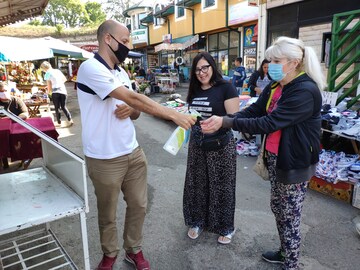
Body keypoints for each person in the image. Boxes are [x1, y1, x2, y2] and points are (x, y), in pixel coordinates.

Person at [76, 20, 195, 270]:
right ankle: (109, 255)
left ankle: (133, 249)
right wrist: (173, 114)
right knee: (107, 213)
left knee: (139, 206)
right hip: (104, 157)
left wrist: (132, 109)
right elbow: (131, 96)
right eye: (126, 39)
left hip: (133, 152)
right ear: (108, 39)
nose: (128, 46)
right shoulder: (90, 68)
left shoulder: (121, 72)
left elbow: (135, 109)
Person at [201, 36, 326, 270]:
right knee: (279, 209)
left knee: (289, 215)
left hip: (295, 161)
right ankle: (284, 251)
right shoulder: (277, 86)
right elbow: (255, 110)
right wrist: (226, 119)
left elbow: (269, 123)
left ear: (295, 62)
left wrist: (226, 122)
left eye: (276, 60)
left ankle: (291, 263)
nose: (270, 66)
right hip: (277, 157)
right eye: (270, 60)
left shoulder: (304, 91)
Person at [184, 52, 239, 244]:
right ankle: (198, 221)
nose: (201, 72)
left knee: (222, 187)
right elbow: (190, 112)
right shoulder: (194, 89)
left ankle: (226, 227)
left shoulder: (226, 87)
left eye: (205, 67)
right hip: (198, 145)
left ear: (212, 67)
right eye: (197, 69)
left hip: (221, 146)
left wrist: (218, 123)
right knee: (197, 184)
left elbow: (235, 119)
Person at [0, 82, 30, 170]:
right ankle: (4, 162)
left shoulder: (16, 100)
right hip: (2, 131)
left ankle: (23, 159)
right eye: (1, 91)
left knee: (22, 142)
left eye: (5, 90)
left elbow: (25, 113)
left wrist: (13, 119)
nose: (3, 92)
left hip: (17, 128)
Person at [40, 61, 73, 127]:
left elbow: (49, 87)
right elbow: (64, 79)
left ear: (44, 68)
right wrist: (57, 83)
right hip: (63, 90)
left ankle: (59, 122)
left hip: (55, 92)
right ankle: (70, 119)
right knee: (63, 107)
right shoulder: (57, 71)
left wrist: (47, 92)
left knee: (57, 108)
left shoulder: (47, 73)